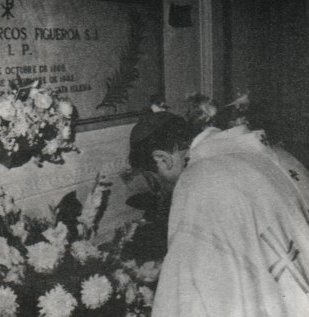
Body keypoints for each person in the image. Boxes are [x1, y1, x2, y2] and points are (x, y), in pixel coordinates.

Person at [128, 111, 309, 316]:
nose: (161, 190)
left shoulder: (199, 181)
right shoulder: (273, 153)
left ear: (162, 159)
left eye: (154, 181)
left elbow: (188, 295)